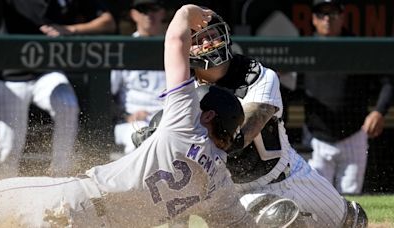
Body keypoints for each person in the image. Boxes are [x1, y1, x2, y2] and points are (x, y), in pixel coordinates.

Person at [0, 5, 258, 227]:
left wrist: (187, 12)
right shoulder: (220, 184)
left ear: (208, 115)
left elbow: (176, 41)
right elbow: (239, 224)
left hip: (71, 202)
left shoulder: (187, 127)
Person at [132, 9, 369, 227]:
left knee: (353, 221)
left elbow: (239, 137)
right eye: (197, 40)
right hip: (233, 193)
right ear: (187, 50)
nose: (207, 43)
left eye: (211, 35)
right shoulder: (185, 91)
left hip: (286, 174)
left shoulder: (258, 76)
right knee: (272, 219)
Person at [0, 0, 116, 178]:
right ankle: (2, 193)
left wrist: (70, 29)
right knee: (9, 146)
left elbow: (108, 22)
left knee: (66, 104)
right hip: (10, 78)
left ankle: (60, 175)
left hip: (46, 72)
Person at [303, 0, 393, 194]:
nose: (327, 19)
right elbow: (284, 86)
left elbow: (388, 82)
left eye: (333, 13)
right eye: (321, 14)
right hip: (316, 137)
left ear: (342, 16)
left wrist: (379, 111)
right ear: (313, 19)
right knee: (317, 200)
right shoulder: (304, 48)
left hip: (353, 134)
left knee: (350, 200)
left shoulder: (358, 47)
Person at [110, 0, 167, 158]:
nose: (149, 14)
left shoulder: (173, 47)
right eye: (143, 10)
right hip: (132, 120)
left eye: (153, 9)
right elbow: (106, 95)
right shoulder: (124, 48)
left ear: (162, 12)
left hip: (167, 117)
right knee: (140, 138)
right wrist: (124, 116)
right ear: (133, 14)